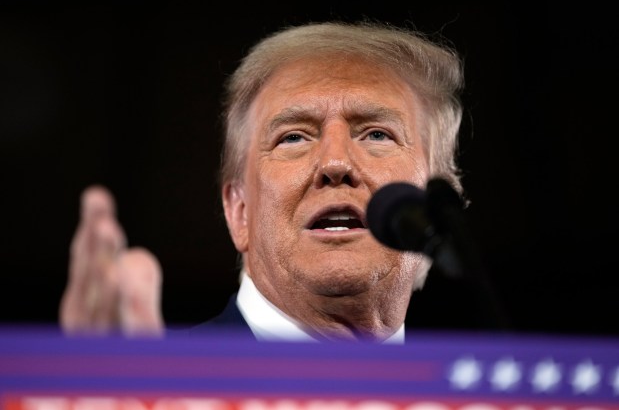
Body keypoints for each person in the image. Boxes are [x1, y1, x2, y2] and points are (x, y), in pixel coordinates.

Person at [60, 19, 465, 343]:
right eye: (293, 137)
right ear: (239, 212)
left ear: (437, 211)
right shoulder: (159, 390)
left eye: (377, 134)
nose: (336, 162)